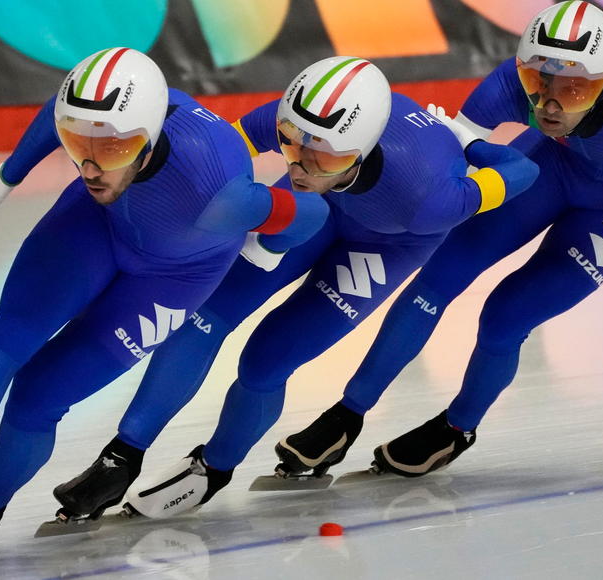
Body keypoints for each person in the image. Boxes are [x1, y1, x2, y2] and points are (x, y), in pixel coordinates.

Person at [0, 47, 329, 573]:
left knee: (38, 396)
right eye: (80, 147)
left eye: (112, 150)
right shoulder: (100, 131)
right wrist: (5, 178)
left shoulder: (224, 192)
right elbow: (60, 113)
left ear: (149, 140)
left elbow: (312, 212)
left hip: (174, 278)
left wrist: (267, 248)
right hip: (97, 227)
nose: (91, 167)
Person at [278, 1, 603, 479]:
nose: (550, 103)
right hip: (551, 165)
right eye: (539, 83)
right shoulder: (510, 87)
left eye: (574, 91)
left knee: (504, 317)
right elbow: (454, 160)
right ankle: (348, 414)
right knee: (435, 281)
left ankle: (457, 427)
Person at [48, 55, 539, 521]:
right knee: (202, 316)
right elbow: (220, 155)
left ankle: (214, 468)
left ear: (362, 151)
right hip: (310, 214)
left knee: (265, 361)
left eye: (323, 158)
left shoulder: (433, 197)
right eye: (293, 149)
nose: (301, 168)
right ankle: (122, 456)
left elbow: (524, 170)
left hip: (389, 241)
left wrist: (469, 144)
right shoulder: (296, 122)